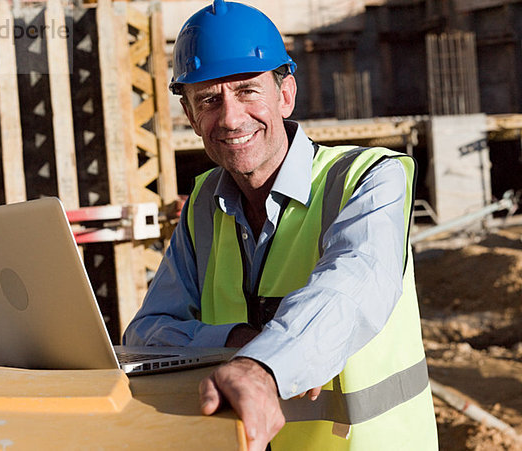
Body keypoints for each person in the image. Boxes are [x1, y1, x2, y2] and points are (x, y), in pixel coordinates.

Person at [123, 0, 438, 449]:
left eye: (248, 90)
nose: (231, 118)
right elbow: (147, 333)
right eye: (209, 100)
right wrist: (239, 339)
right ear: (190, 117)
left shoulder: (369, 178)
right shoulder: (201, 207)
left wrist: (263, 366)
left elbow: (348, 289)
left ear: (285, 94)